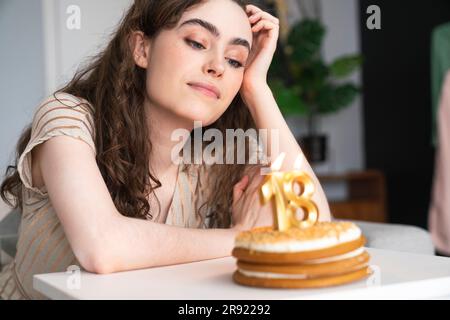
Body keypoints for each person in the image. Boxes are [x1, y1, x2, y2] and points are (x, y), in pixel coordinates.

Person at [0, 0, 331, 299]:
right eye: (197, 42)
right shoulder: (68, 116)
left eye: (235, 60)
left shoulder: (216, 158)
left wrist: (257, 88)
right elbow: (102, 249)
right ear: (141, 48)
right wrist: (243, 238)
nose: (218, 66)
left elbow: (312, 224)